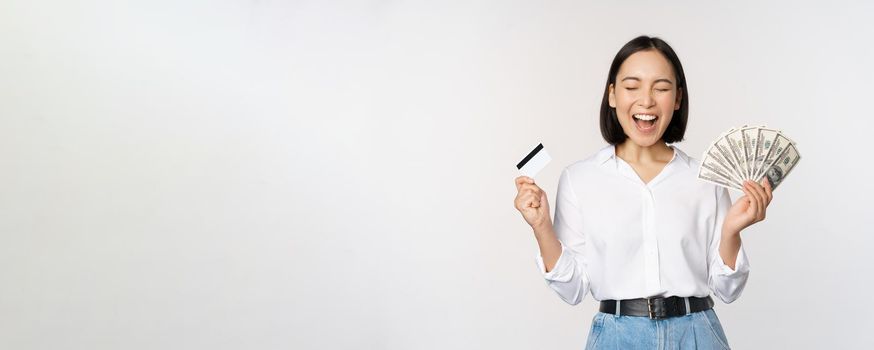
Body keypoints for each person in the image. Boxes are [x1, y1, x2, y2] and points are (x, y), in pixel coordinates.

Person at [513, 35, 773, 349]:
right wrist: (541, 226)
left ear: (677, 98)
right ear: (612, 95)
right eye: (632, 86)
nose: (646, 101)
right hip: (617, 337)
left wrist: (732, 231)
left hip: (697, 335)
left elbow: (728, 290)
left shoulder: (705, 178)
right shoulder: (580, 178)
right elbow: (573, 289)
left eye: (661, 88)